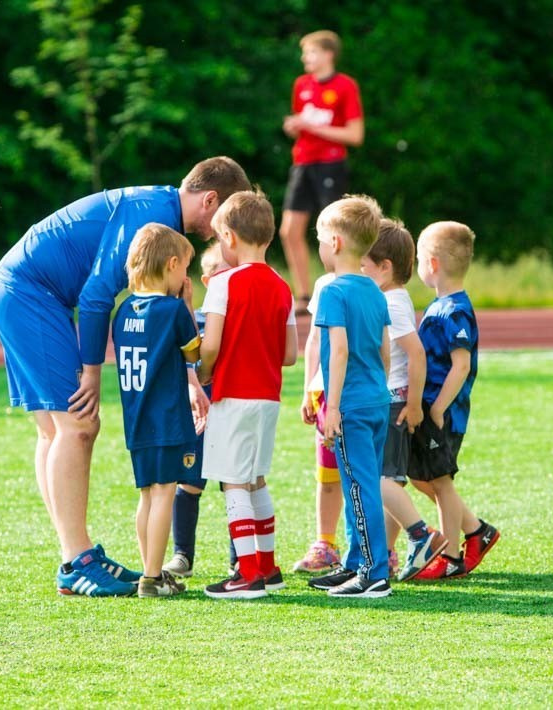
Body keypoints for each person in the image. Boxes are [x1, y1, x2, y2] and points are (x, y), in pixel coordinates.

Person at [0, 156, 251, 597]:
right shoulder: (152, 213)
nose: (221, 232)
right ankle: (77, 559)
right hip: (31, 292)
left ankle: (76, 553)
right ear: (210, 199)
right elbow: (94, 297)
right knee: (80, 424)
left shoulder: (157, 207)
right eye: (222, 218)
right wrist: (92, 372)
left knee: (54, 430)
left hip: (20, 288)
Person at [198, 191, 298, 600]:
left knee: (233, 483)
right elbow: (290, 354)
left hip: (233, 393)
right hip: (267, 396)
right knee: (256, 479)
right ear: (269, 238)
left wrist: (201, 370)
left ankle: (249, 574)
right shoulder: (283, 287)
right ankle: (268, 566)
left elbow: (211, 346)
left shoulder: (223, 283)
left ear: (228, 236)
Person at [305, 195, 394, 599]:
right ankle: (356, 563)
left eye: (321, 239)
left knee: (359, 487)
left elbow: (337, 351)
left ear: (336, 243)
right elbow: (385, 349)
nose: (319, 247)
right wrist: (380, 386)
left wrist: (333, 406)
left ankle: (374, 573)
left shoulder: (333, 292)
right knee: (361, 481)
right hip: (375, 399)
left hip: (352, 405)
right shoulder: (375, 291)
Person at [408, 221, 500, 580]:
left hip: (443, 411)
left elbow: (460, 365)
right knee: (421, 478)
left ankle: (448, 556)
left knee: (440, 480)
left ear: (432, 264)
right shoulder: (440, 305)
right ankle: (477, 531)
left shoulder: (454, 311)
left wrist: (438, 407)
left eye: (418, 259)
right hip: (432, 406)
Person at [111, 224, 198, 598]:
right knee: (164, 492)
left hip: (137, 419)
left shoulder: (123, 310)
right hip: (166, 418)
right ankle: (152, 576)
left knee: (147, 494)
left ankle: (150, 568)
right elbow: (194, 354)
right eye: (184, 270)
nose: (185, 278)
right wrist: (189, 307)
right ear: (171, 264)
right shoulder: (172, 309)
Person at [360, 219, 448, 581]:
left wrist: (413, 404)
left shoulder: (390, 303)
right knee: (391, 482)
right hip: (396, 401)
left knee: (378, 479)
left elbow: (416, 354)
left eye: (365, 265)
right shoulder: (394, 298)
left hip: (394, 403)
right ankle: (389, 553)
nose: (361, 271)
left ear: (385, 268)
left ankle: (421, 535)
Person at [162, 243, 239, 579]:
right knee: (189, 484)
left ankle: (242, 555)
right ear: (208, 280)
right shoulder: (193, 319)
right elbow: (187, 358)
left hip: (235, 413)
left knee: (236, 484)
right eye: (225, 273)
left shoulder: (240, 321)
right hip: (197, 417)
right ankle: (183, 555)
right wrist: (188, 307)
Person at [280, 30, 364, 314]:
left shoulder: (345, 85)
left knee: (335, 232)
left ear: (328, 54)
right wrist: (295, 126)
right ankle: (303, 296)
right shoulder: (301, 84)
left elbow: (355, 135)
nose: (305, 58)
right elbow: (303, 124)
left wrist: (312, 127)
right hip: (302, 162)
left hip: (331, 163)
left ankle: (342, 289)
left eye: (311, 52)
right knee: (289, 231)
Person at [293, 266, 344, 575]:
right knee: (327, 473)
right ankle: (326, 543)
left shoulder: (369, 285)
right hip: (324, 393)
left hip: (357, 392)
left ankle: (380, 548)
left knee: (368, 474)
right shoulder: (323, 284)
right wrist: (308, 387)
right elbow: (314, 339)